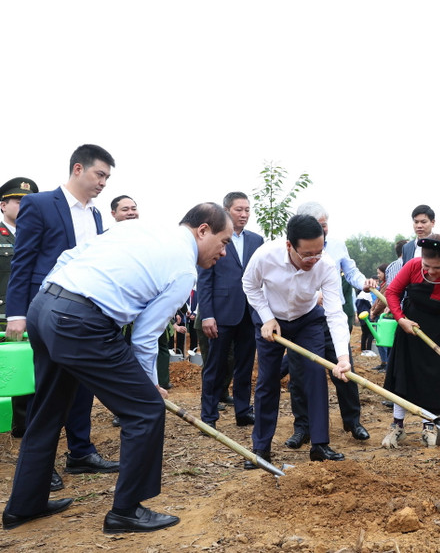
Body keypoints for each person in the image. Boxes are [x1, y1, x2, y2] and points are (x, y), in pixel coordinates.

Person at [2, 202, 233, 533]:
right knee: (145, 411)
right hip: (81, 321)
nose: (223, 252)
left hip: (45, 307)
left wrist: (53, 301)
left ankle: (24, 505)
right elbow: (145, 336)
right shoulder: (184, 269)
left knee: (47, 411)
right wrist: (149, 386)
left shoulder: (137, 228)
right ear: (203, 230)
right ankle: (126, 511)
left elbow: (68, 257)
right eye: (223, 242)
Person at [6, 144, 119, 491]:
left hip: (85, 310)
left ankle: (80, 452)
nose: (103, 183)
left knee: (82, 384)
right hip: (48, 310)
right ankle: (40, 465)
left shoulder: (95, 215)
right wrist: (16, 313)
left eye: (107, 178)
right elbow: (23, 261)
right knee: (47, 389)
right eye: (99, 174)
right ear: (78, 169)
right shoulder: (41, 204)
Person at [241, 214, 351, 465]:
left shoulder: (326, 264)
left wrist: (343, 357)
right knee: (268, 380)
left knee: (315, 375)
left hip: (307, 320)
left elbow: (335, 312)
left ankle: (320, 445)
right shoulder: (265, 255)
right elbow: (249, 285)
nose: (313, 260)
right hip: (271, 322)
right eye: (307, 255)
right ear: (289, 245)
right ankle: (260, 449)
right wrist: (267, 317)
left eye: (318, 253)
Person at [285, 202, 376, 446]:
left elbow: (351, 271)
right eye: (318, 225)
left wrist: (363, 283)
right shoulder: (291, 250)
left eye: (325, 225)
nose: (323, 230)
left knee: (344, 369)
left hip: (332, 318)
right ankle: (302, 427)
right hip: (303, 321)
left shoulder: (336, 245)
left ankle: (353, 421)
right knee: (300, 374)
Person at [381, 235, 440, 448]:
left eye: (437, 268)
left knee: (432, 381)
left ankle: (428, 426)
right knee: (402, 377)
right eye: (426, 266)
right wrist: (401, 319)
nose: (430, 271)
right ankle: (397, 426)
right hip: (409, 330)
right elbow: (392, 292)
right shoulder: (412, 266)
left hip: (437, 335)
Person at [198, 192, 263, 430]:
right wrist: (207, 314)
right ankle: (209, 417)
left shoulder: (257, 240)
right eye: (239, 209)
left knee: (245, 366)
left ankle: (243, 412)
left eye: (247, 210)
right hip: (221, 314)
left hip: (249, 313)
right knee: (215, 367)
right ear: (226, 211)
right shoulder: (214, 238)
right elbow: (204, 280)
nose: (244, 214)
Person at [0, 177, 39, 438]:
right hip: (3, 314)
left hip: (31, 314)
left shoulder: (38, 236)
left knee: (26, 370)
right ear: (3, 205)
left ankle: (23, 427)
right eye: (18, 201)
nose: (24, 206)